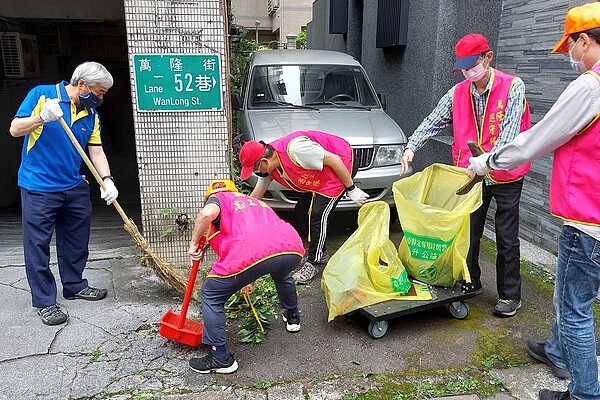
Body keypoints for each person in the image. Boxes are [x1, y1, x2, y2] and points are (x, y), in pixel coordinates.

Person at [467, 3, 600, 399]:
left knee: (573, 309)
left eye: (572, 48)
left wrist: (485, 162)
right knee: (567, 297)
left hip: (588, 221)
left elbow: (536, 139)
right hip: (588, 215)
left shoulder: (591, 87)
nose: (571, 57)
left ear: (584, 40)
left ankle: (585, 394)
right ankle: (559, 350)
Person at [399, 33, 531, 317]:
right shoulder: (458, 93)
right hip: (471, 175)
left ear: (488, 57)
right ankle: (470, 282)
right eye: (464, 68)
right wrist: (411, 147)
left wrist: (488, 162)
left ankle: (510, 295)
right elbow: (433, 121)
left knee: (507, 237)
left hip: (506, 174)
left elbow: (509, 136)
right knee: (468, 232)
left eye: (474, 65)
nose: (469, 72)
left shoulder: (513, 87)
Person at [9, 61, 117, 326]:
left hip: (73, 186)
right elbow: (14, 129)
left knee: (76, 241)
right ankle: (45, 302)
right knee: (37, 246)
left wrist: (107, 180)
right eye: (99, 92)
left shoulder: (91, 115)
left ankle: (74, 285)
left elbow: (96, 151)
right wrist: (41, 117)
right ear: (82, 85)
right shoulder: (42, 96)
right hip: (39, 186)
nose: (101, 98)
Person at [187, 179, 305, 374]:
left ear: (208, 197)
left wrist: (192, 245)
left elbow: (206, 214)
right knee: (283, 275)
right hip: (291, 247)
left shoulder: (218, 199)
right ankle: (293, 318)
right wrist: (249, 278)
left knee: (211, 294)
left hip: (254, 252)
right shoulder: (255, 203)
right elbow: (262, 237)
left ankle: (220, 358)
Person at [237, 130, 369, 284]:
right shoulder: (270, 167)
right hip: (319, 174)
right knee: (301, 211)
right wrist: (241, 221)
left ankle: (315, 262)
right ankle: (317, 250)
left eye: (254, 170)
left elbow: (334, 159)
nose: (256, 173)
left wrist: (351, 189)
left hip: (342, 165)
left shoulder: (296, 150)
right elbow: (255, 197)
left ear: (264, 162)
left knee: (318, 214)